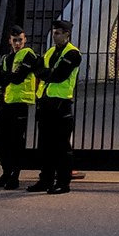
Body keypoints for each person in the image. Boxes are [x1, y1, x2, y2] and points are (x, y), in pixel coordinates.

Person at [27, 19, 81, 194]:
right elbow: (37, 69)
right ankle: (46, 179)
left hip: (61, 105)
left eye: (58, 33)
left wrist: (44, 73)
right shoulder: (51, 51)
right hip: (46, 103)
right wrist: (45, 73)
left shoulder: (73, 54)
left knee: (61, 146)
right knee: (45, 145)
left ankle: (63, 182)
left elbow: (59, 76)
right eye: (53, 33)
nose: (55, 36)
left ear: (67, 34)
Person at [0, 26, 40, 190]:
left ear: (25, 40)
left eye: (20, 40)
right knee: (0, 142)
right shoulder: (7, 58)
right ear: (10, 41)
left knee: (16, 142)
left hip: (19, 103)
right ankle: (6, 171)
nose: (17, 43)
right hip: (5, 103)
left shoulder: (28, 55)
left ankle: (14, 176)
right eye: (14, 40)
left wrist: (6, 77)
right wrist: (6, 77)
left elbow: (18, 78)